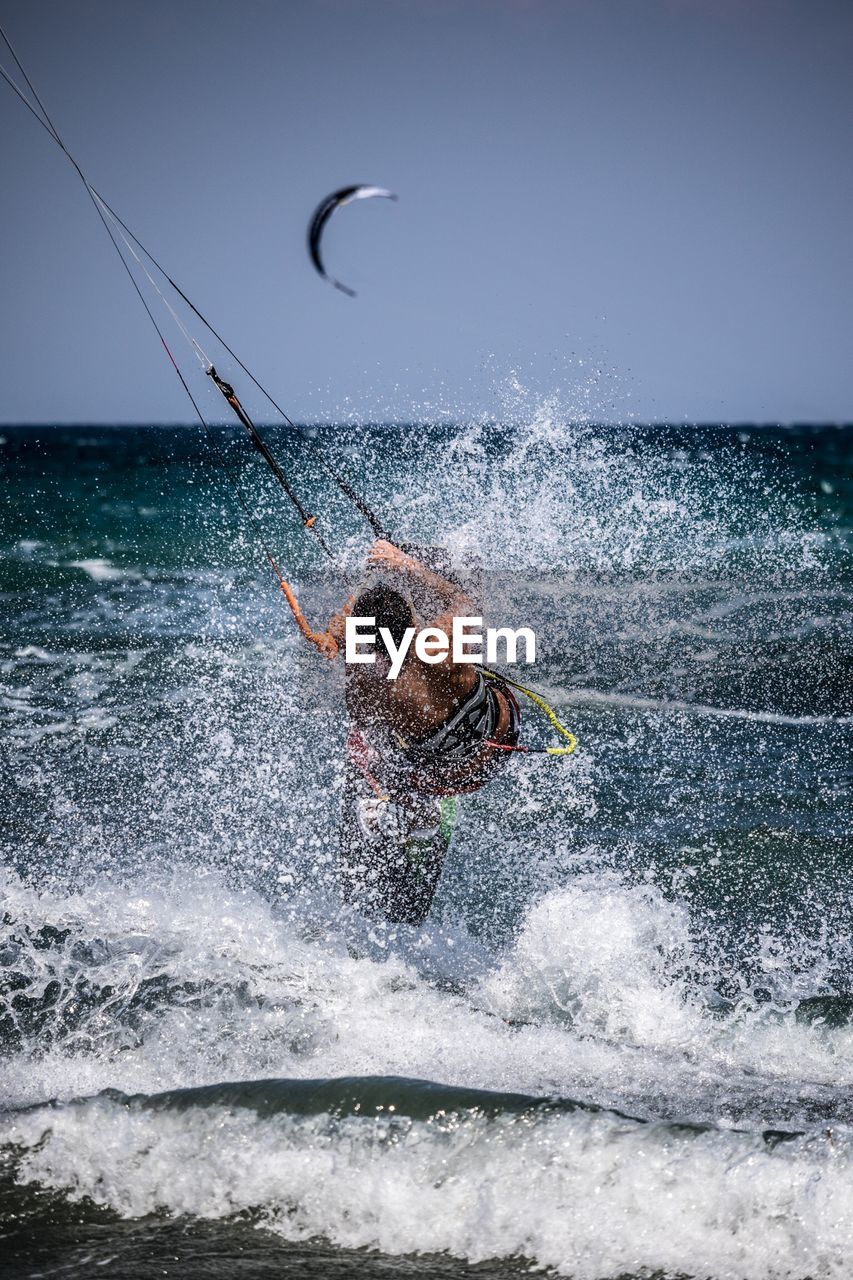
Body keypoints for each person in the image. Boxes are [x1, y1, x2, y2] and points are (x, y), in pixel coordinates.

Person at [283, 539, 520, 923]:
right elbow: (465, 603)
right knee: (459, 588)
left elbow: (364, 716)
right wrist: (408, 566)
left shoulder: (366, 689)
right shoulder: (442, 645)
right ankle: (416, 813)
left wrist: (334, 638)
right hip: (496, 744)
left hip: (438, 774)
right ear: (412, 624)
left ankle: (401, 807)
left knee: (371, 749)